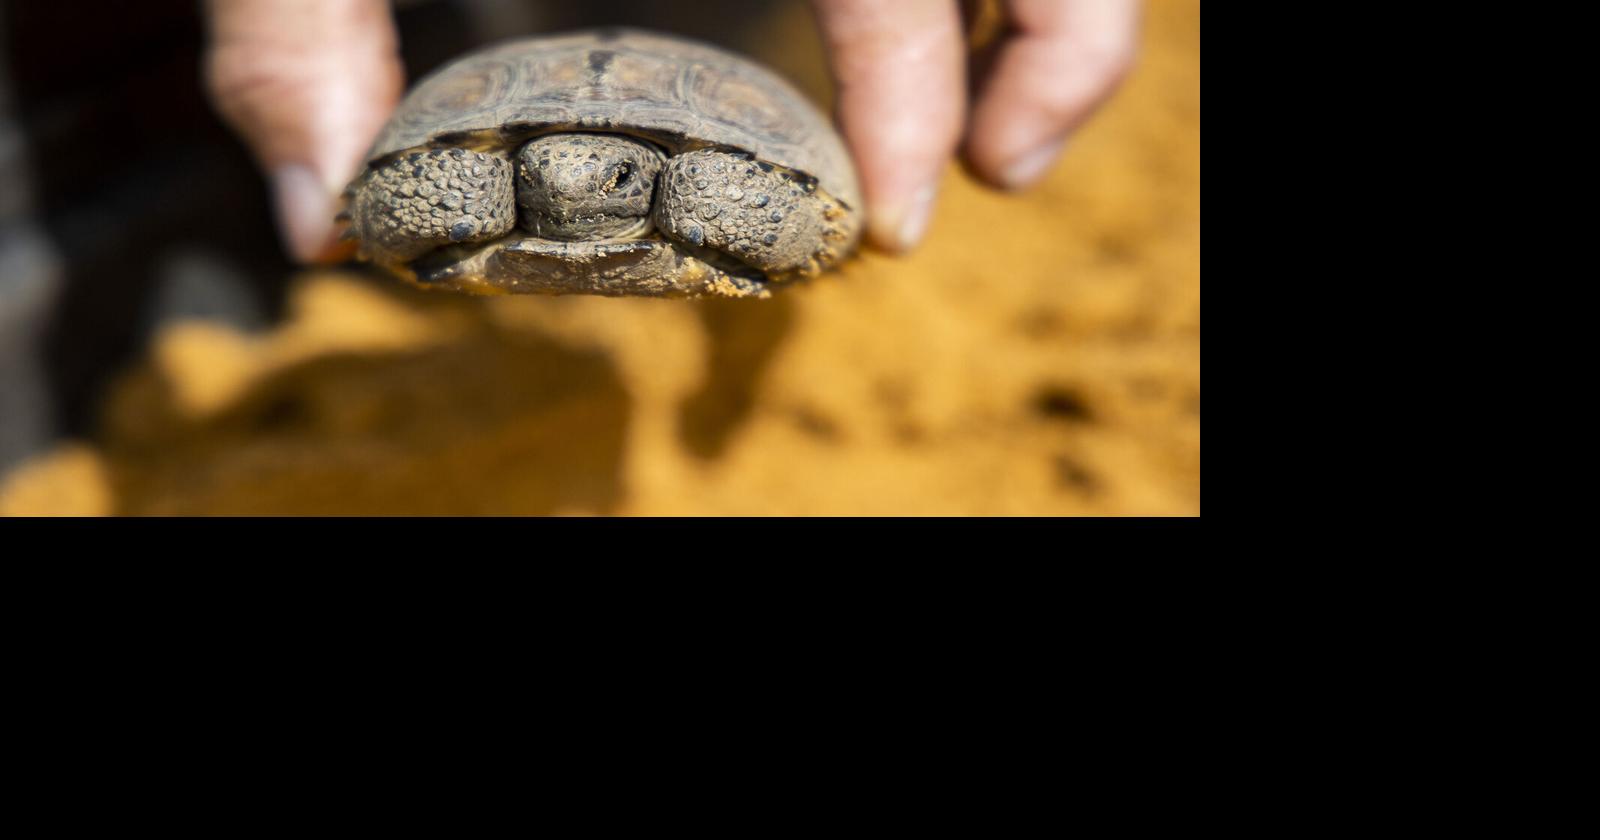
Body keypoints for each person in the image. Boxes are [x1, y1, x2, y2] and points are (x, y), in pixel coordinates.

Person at [204, 0, 1138, 263]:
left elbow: (788, 209)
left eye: (608, 182)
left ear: (644, 183)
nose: (565, 193)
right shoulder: (495, 181)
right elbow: (427, 186)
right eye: (539, 180)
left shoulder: (694, 186)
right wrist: (384, 198)